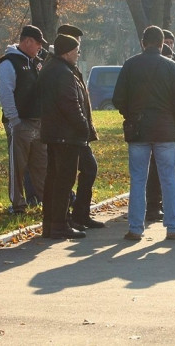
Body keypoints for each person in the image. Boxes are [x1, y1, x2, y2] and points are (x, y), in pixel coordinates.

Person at [112, 25, 175, 241]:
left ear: (142, 42)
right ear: (162, 43)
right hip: (165, 130)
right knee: (169, 179)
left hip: (138, 130)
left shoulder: (130, 65)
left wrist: (131, 114)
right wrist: (174, 119)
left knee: (138, 179)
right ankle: (173, 226)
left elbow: (118, 98)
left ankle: (135, 228)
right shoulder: (171, 66)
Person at [37, 34, 88, 239]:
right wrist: (83, 126)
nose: (78, 55)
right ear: (67, 52)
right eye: (76, 51)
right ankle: (60, 224)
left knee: (52, 179)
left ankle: (50, 223)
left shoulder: (49, 69)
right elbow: (70, 104)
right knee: (64, 181)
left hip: (52, 133)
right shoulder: (64, 73)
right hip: (67, 135)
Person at [55, 24, 105, 230]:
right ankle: (70, 216)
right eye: (76, 45)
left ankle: (80, 213)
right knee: (69, 175)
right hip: (70, 132)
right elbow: (70, 103)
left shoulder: (71, 68)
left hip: (77, 132)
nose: (78, 50)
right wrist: (83, 126)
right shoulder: (61, 68)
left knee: (88, 169)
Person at [0, 25, 48, 215]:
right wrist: (14, 120)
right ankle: (18, 204)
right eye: (38, 44)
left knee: (41, 165)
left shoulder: (36, 62)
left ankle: (46, 201)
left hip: (38, 122)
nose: (40, 48)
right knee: (18, 166)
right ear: (27, 41)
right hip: (20, 122)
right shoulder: (9, 63)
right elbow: (6, 93)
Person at [145, 30, 175, 221]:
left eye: (172, 42)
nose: (169, 45)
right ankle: (164, 211)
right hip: (165, 123)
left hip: (165, 122)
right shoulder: (168, 66)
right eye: (166, 42)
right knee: (159, 166)